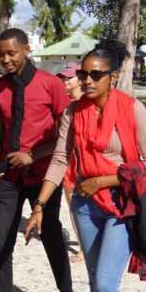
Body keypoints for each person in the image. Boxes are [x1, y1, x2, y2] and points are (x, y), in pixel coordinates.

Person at [24, 40, 146, 292]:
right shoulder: (72, 112)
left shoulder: (133, 109)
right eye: (83, 74)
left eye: (95, 74)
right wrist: (39, 206)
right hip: (85, 205)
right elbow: (60, 159)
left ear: (112, 77)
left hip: (121, 204)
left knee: (104, 284)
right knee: (96, 280)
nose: (87, 80)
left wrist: (104, 180)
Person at [0, 28, 75, 292]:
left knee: (51, 234)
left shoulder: (50, 85)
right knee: (1, 241)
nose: (5, 59)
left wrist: (33, 155)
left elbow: (66, 136)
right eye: (0, 54)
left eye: (11, 53)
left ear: (27, 50)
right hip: (9, 177)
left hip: (43, 175)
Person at [57, 63, 85, 263]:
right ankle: (83, 246)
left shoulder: (88, 101)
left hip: (86, 160)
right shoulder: (64, 104)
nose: (65, 81)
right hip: (68, 161)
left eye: (69, 77)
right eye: (63, 77)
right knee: (73, 206)